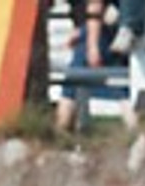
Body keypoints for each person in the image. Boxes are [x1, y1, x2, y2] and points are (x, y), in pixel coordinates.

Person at [55, 0, 137, 132]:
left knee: (72, 83)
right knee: (119, 84)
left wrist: (92, 46)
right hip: (100, 28)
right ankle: (136, 128)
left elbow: (95, 5)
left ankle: (61, 129)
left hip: (98, 30)